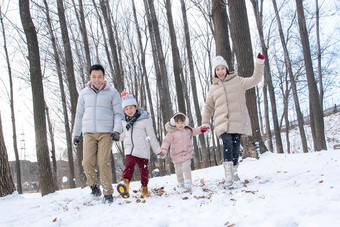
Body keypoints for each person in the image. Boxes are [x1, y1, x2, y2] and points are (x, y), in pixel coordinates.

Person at [201, 54, 265, 187]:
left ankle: (234, 172)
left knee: (235, 148)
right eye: (217, 69)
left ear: (227, 69)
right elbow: (208, 107)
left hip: (237, 122)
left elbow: (255, 79)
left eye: (222, 68)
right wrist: (205, 123)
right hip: (222, 123)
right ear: (215, 72)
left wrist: (259, 63)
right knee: (227, 143)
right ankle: (228, 176)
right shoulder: (213, 88)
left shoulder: (238, 81)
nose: (220, 72)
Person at [72, 64, 123, 203]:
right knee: (87, 162)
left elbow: (118, 114)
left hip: (106, 133)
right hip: (88, 133)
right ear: (90, 77)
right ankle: (94, 187)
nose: (97, 79)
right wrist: (76, 134)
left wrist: (117, 130)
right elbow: (79, 115)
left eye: (99, 76)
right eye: (94, 76)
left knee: (103, 162)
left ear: (104, 76)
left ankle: (108, 193)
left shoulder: (112, 92)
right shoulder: (84, 93)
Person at [117, 91, 163, 198]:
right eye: (126, 109)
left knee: (144, 172)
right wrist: (117, 137)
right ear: (124, 110)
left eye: (131, 108)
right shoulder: (124, 121)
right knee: (128, 166)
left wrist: (158, 150)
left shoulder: (145, 119)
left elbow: (151, 136)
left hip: (142, 150)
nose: (129, 111)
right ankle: (125, 185)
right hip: (130, 150)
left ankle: (144, 189)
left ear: (136, 107)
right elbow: (125, 135)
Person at [160, 113, 208, 191]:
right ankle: (181, 182)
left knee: (186, 167)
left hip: (187, 153)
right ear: (174, 123)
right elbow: (166, 142)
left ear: (185, 122)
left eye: (182, 122)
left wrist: (202, 129)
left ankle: (188, 182)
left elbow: (195, 131)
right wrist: (163, 151)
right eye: (178, 123)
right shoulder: (171, 133)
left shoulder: (187, 130)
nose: (180, 125)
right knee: (178, 171)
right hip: (176, 155)